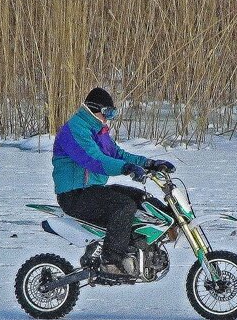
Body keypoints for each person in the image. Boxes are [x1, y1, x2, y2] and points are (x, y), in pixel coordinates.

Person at [52, 87, 175, 276]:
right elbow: (93, 159)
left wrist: (149, 163)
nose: (109, 117)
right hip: (74, 195)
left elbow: (118, 154)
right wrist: (125, 168)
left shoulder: (98, 130)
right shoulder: (75, 129)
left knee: (140, 197)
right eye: (108, 113)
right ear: (95, 110)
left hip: (92, 189)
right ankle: (110, 261)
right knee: (124, 206)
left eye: (113, 113)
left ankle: (163, 232)